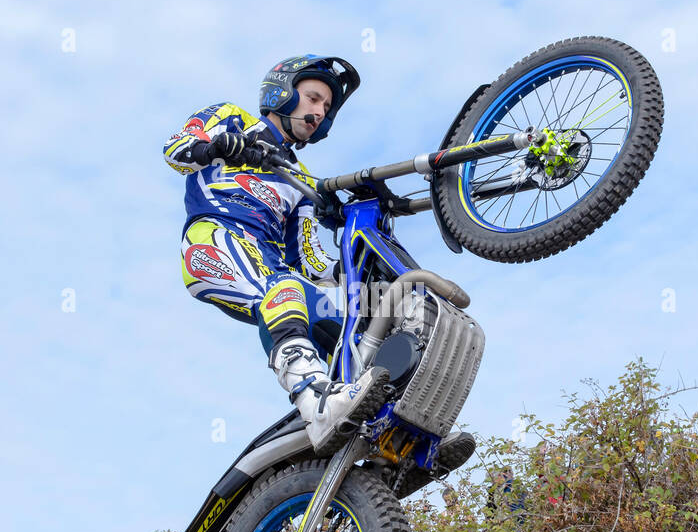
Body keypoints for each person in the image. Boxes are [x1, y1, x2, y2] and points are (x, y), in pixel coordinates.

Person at [163, 56, 471, 467]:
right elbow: (176, 149)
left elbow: (308, 258)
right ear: (282, 93)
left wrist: (354, 274)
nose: (318, 112)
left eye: (325, 108)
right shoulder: (230, 118)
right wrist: (219, 145)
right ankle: (316, 402)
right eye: (312, 98)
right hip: (216, 241)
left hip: (273, 268)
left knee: (364, 315)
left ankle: (402, 427)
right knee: (284, 291)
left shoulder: (300, 178)